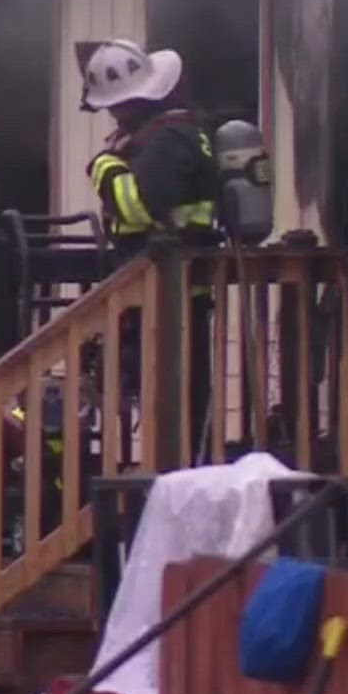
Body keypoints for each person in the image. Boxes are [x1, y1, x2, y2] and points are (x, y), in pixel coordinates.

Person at [80, 38, 220, 451]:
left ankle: (177, 477)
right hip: (162, 291)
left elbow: (139, 208)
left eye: (116, 106)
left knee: (177, 402)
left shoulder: (169, 139)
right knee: (169, 397)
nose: (114, 115)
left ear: (137, 101)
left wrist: (103, 167)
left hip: (169, 295)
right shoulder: (172, 134)